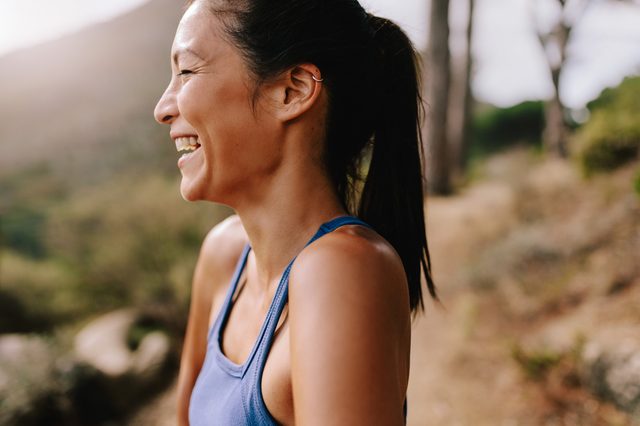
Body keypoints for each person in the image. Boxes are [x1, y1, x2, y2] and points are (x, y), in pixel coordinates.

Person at [154, 0, 439, 424]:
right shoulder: (224, 253)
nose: (163, 108)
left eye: (187, 71)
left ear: (293, 91)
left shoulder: (344, 270)